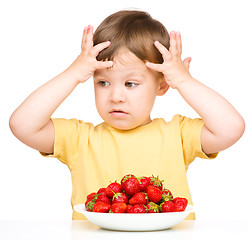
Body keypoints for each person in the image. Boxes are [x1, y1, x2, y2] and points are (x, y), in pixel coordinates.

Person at [9, 10, 245, 220]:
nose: (115, 96)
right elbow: (22, 125)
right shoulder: (80, 138)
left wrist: (184, 81)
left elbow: (231, 128)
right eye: (103, 82)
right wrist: (72, 74)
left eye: (130, 84)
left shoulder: (178, 134)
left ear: (162, 86)